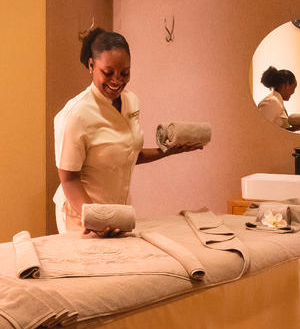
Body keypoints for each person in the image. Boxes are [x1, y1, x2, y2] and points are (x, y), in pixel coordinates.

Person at [53, 28, 202, 235]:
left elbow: (130, 155)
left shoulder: (131, 101)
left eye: (124, 73)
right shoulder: (76, 114)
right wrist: (94, 219)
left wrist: (167, 151)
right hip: (82, 216)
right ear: (91, 65)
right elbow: (69, 179)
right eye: (108, 73)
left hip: (116, 212)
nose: (117, 80)